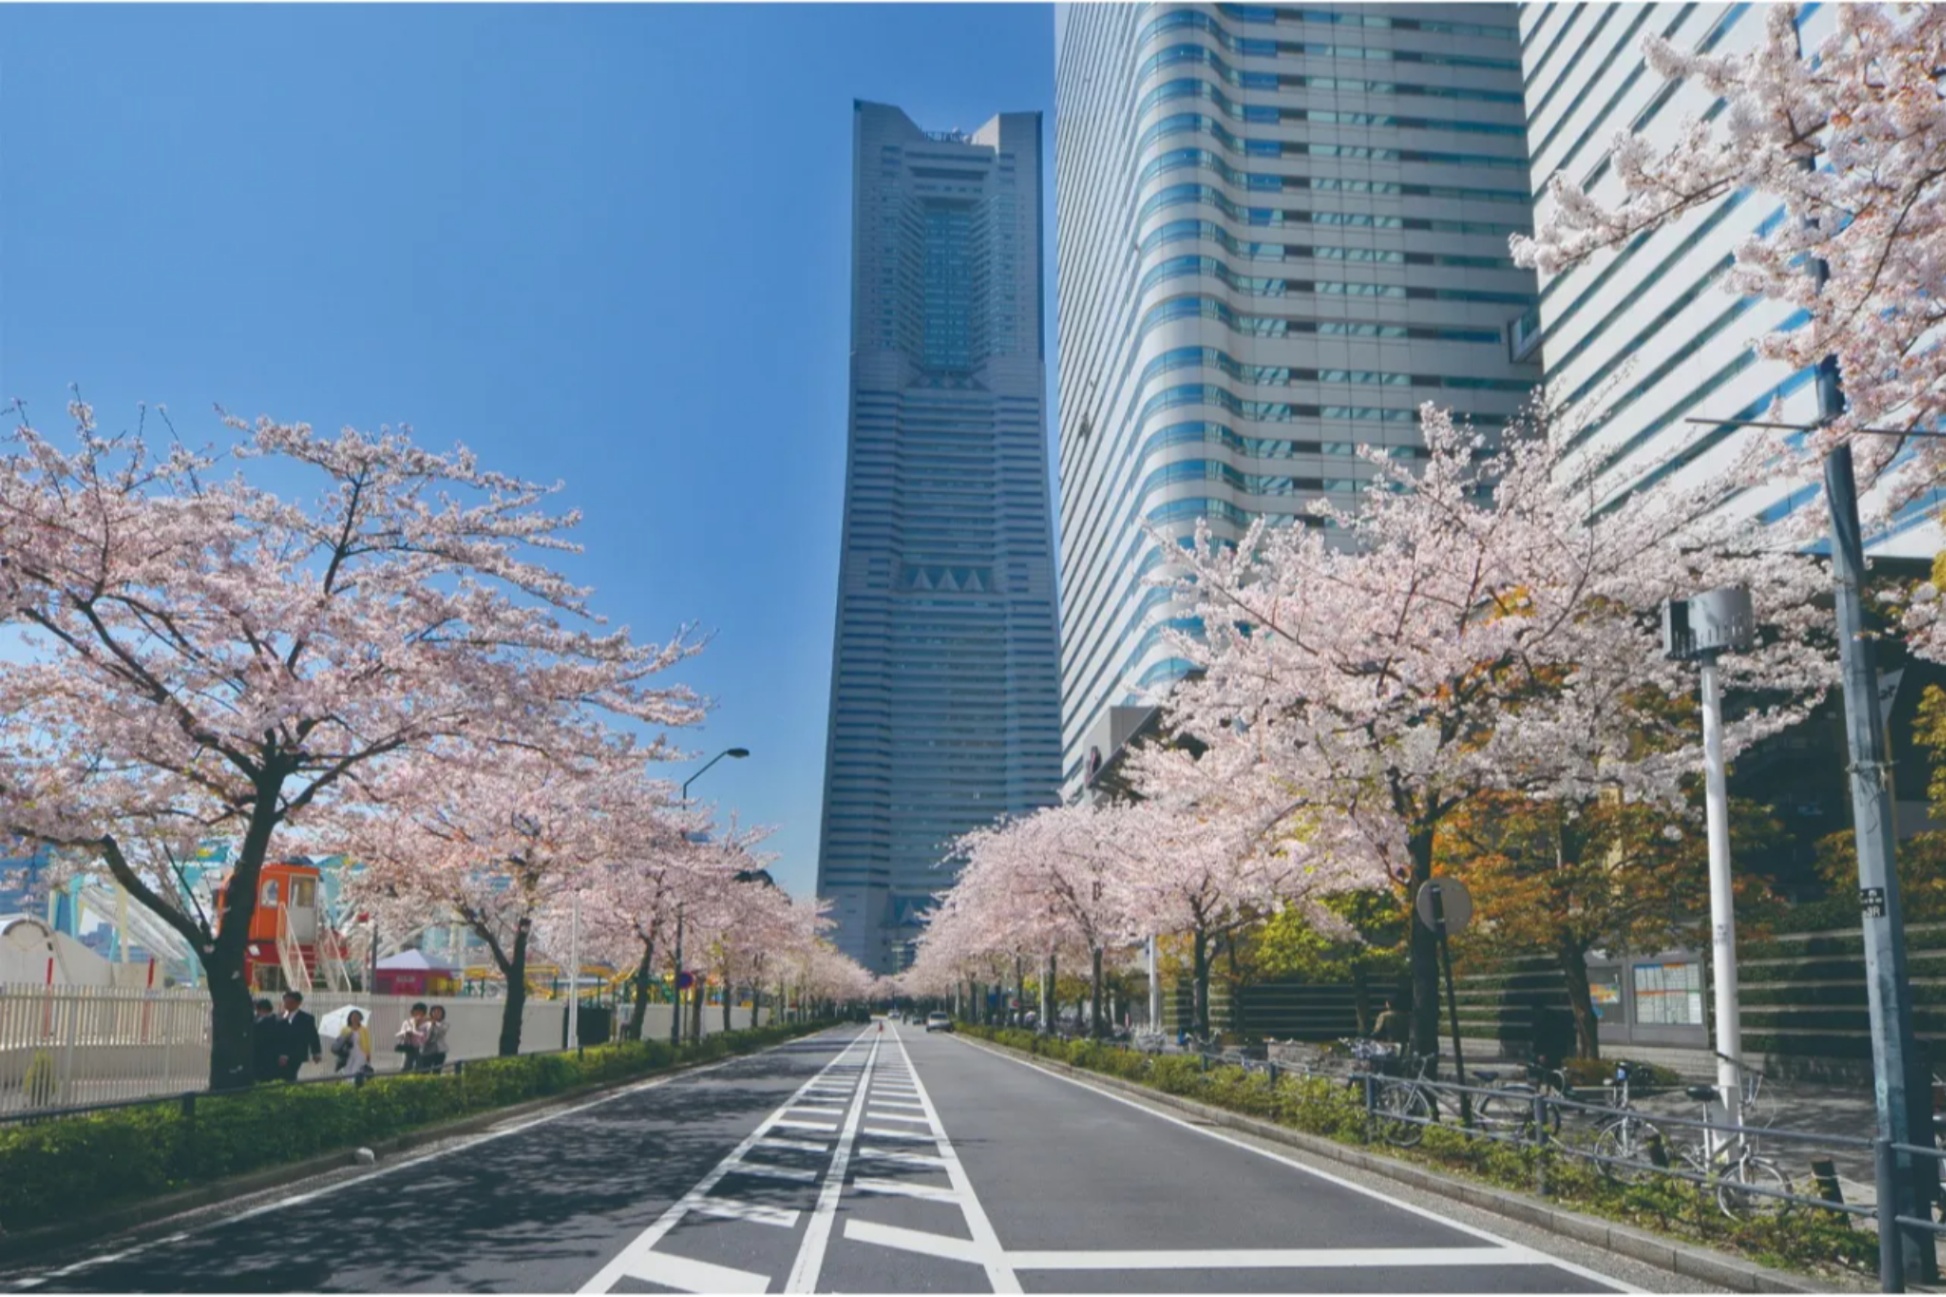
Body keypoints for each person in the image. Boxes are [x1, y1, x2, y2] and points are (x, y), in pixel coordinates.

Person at [279, 990, 323, 1082]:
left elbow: (313, 1036)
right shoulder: (279, 1017)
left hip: (296, 1053)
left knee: (290, 1076)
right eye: (285, 1002)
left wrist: (316, 1052)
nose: (286, 1004)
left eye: (290, 1002)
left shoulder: (306, 1019)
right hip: (278, 1053)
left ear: (297, 1003)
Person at [331, 1009, 375, 1083]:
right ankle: (348, 1084)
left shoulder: (364, 1029)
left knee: (356, 1069)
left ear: (360, 1019)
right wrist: (348, 1036)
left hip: (360, 1052)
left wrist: (368, 1054)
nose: (355, 1019)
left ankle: (354, 1083)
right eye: (353, 1017)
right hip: (349, 1053)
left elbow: (367, 1042)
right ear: (350, 1018)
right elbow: (341, 1041)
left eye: (357, 1017)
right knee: (348, 1069)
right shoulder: (345, 1029)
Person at [251, 998, 283, 1083]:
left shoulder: (276, 1021)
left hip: (270, 1055)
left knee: (267, 1078)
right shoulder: (255, 1020)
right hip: (257, 1055)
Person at [395, 1002, 430, 1071]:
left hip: (421, 1048)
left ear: (424, 1013)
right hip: (409, 1047)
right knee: (407, 1065)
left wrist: (414, 1031)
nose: (418, 1014)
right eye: (416, 1012)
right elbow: (399, 1034)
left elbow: (426, 1036)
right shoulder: (407, 1022)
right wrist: (406, 1033)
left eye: (420, 1012)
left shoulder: (427, 1023)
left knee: (420, 1065)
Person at [420, 1005, 450, 1074]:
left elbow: (442, 1031)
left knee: (437, 1071)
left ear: (442, 1014)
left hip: (440, 1051)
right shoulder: (426, 1023)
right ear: (431, 1013)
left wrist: (435, 1023)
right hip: (427, 1050)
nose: (437, 1014)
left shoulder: (445, 1023)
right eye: (434, 1012)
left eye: (439, 1012)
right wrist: (430, 1024)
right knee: (425, 1071)